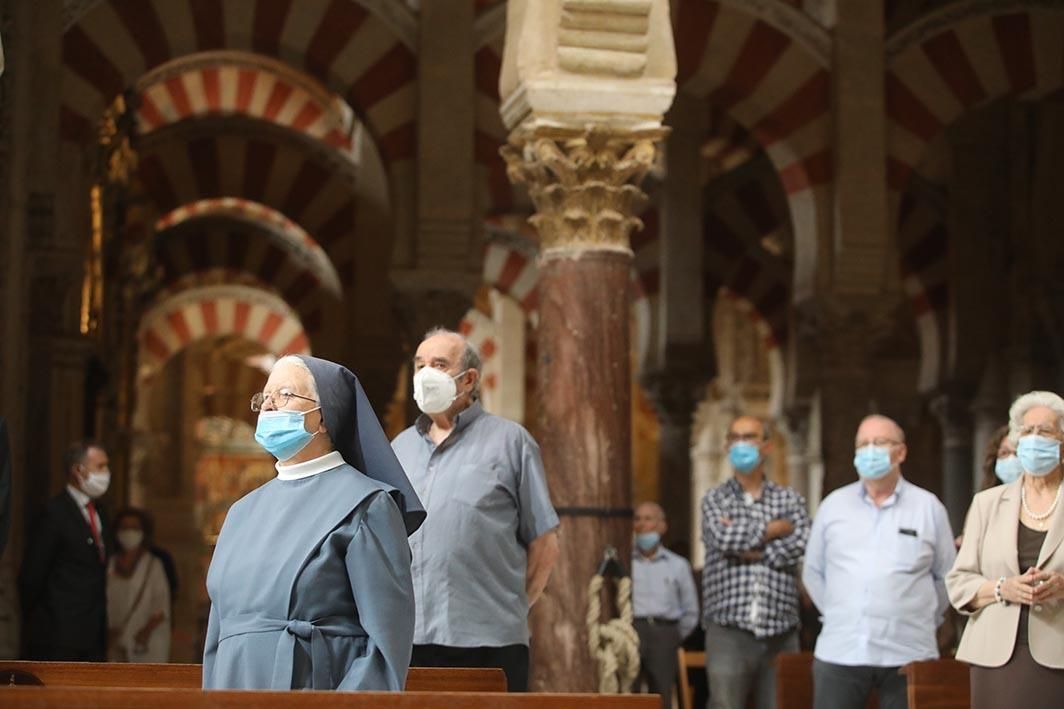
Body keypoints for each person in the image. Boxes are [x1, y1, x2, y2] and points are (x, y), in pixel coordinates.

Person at [202, 355, 425, 690]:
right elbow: (219, 636)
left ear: (324, 417)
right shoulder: (240, 513)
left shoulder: (366, 505)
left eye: (285, 395)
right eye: (265, 397)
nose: (269, 406)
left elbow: (385, 646)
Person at [391, 327, 560, 692]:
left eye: (439, 364)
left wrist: (510, 606)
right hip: (411, 640)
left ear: (468, 380)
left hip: (490, 641)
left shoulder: (511, 442)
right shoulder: (399, 448)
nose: (425, 375)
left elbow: (544, 544)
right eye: (420, 365)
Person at [803, 414, 957, 709]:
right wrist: (841, 612)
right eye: (863, 443)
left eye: (880, 442)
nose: (870, 450)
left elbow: (947, 575)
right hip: (840, 651)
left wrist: (919, 616)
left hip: (908, 652)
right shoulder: (833, 506)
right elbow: (813, 572)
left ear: (901, 452)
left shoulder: (928, 507)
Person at [946, 391, 1064, 708]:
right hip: (995, 657)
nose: (1034, 439)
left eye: (1045, 431)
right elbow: (959, 583)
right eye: (1027, 431)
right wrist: (1002, 588)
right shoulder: (988, 503)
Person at [700, 415, 810, 709]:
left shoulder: (789, 499)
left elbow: (800, 542)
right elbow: (723, 540)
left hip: (780, 631)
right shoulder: (715, 499)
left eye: (749, 437)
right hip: (728, 630)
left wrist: (751, 547)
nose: (741, 444)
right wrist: (773, 530)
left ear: (767, 446)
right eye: (735, 438)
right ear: (726, 446)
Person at [19, 440, 111, 660]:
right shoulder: (54, 513)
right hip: (58, 636)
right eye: (100, 466)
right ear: (78, 470)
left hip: (92, 635)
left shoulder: (99, 512)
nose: (106, 473)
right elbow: (32, 576)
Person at [631, 501, 699, 708]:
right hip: (632, 631)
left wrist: (673, 636)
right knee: (628, 693)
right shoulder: (625, 561)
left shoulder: (678, 565)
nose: (642, 524)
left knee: (662, 694)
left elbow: (691, 610)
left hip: (665, 633)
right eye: (638, 519)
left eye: (649, 519)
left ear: (662, 526)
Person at [107, 507, 171, 662]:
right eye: (125, 527)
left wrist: (145, 632)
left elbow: (162, 605)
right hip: (114, 642)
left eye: (134, 528)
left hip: (144, 644)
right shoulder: (109, 563)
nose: (129, 532)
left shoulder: (153, 565)